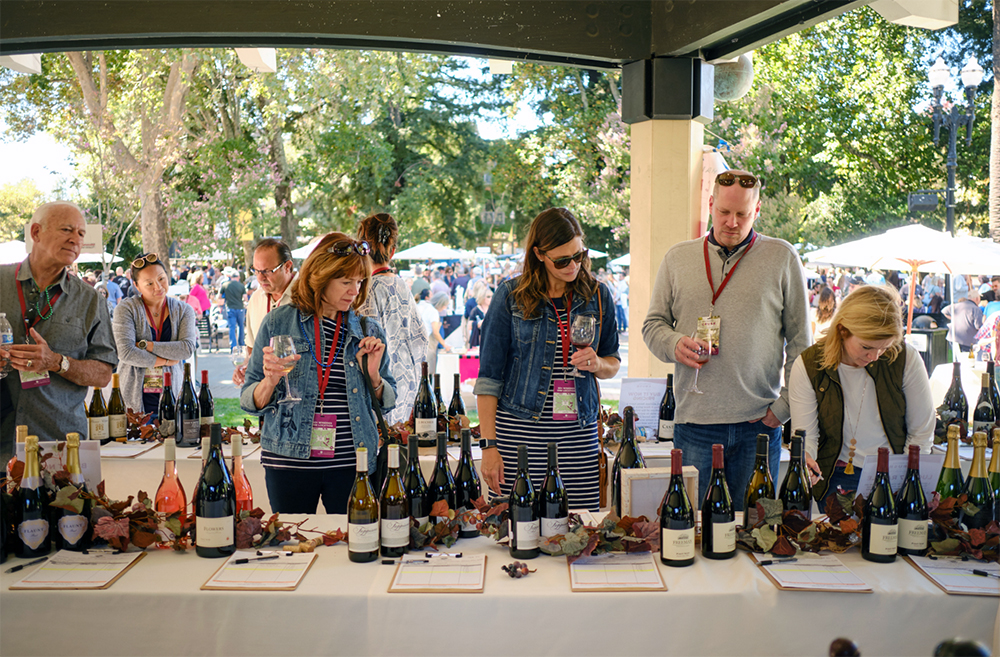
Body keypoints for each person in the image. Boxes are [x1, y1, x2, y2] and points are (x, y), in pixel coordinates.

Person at [642, 170, 809, 508]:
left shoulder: (782, 257)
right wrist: (674, 343)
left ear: (757, 210)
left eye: (743, 214)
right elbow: (653, 325)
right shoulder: (678, 257)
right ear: (710, 205)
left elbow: (801, 344)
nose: (732, 222)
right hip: (695, 424)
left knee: (756, 529)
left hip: (759, 424)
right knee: (691, 531)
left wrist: (784, 408)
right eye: (724, 212)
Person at [240, 232, 396, 514]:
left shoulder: (368, 330)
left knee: (354, 545)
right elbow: (249, 400)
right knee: (294, 544)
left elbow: (388, 401)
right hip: (288, 461)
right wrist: (270, 381)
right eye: (346, 282)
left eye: (360, 282)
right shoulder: (278, 322)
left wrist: (374, 377)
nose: (355, 291)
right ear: (320, 277)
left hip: (353, 463)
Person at [476, 208, 620, 511]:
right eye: (562, 260)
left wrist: (597, 364)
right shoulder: (510, 296)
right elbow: (488, 378)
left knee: (577, 533)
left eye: (579, 256)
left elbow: (613, 362)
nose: (573, 266)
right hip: (519, 436)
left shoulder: (598, 295)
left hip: (577, 438)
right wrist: (489, 447)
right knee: (516, 528)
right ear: (539, 254)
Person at [789, 285, 934, 506]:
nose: (875, 357)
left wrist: (907, 481)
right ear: (842, 330)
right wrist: (806, 461)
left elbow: (921, 433)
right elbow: (805, 434)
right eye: (867, 347)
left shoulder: (905, 358)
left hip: (893, 472)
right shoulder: (809, 365)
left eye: (884, 348)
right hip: (835, 476)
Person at [0, 201, 117, 459]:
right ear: (36, 233)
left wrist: (57, 362)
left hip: (58, 449)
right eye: (67, 229)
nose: (76, 239)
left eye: (81, 233)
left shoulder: (90, 300)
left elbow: (103, 374)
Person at [356, 213, 429, 425]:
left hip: (379, 389)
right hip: (408, 386)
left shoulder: (364, 290)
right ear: (393, 250)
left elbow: (364, 346)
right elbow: (421, 340)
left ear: (362, 248)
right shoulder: (403, 286)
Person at [112, 253, 198, 416]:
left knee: (173, 438)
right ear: (137, 286)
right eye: (149, 283)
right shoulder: (126, 309)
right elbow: (126, 352)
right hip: (135, 397)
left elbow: (186, 349)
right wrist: (165, 360)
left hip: (173, 391)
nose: (158, 287)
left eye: (161, 279)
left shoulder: (183, 310)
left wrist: (147, 345)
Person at [233, 238, 298, 386]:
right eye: (256, 270)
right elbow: (251, 349)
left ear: (287, 266)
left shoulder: (308, 296)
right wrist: (244, 367)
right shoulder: (256, 298)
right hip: (264, 391)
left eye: (267, 271)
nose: (260, 278)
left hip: (299, 391)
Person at [423, 292, 451, 375]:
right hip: (429, 344)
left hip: (425, 342)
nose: (445, 308)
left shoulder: (428, 308)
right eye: (445, 305)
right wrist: (445, 345)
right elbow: (435, 332)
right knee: (429, 370)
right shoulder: (434, 312)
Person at [219, 267, 247, 352]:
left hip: (230, 308)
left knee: (232, 327)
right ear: (238, 277)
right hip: (240, 308)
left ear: (231, 277)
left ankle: (233, 346)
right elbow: (245, 298)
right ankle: (241, 345)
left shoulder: (225, 285)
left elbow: (220, 297)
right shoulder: (241, 286)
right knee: (241, 326)